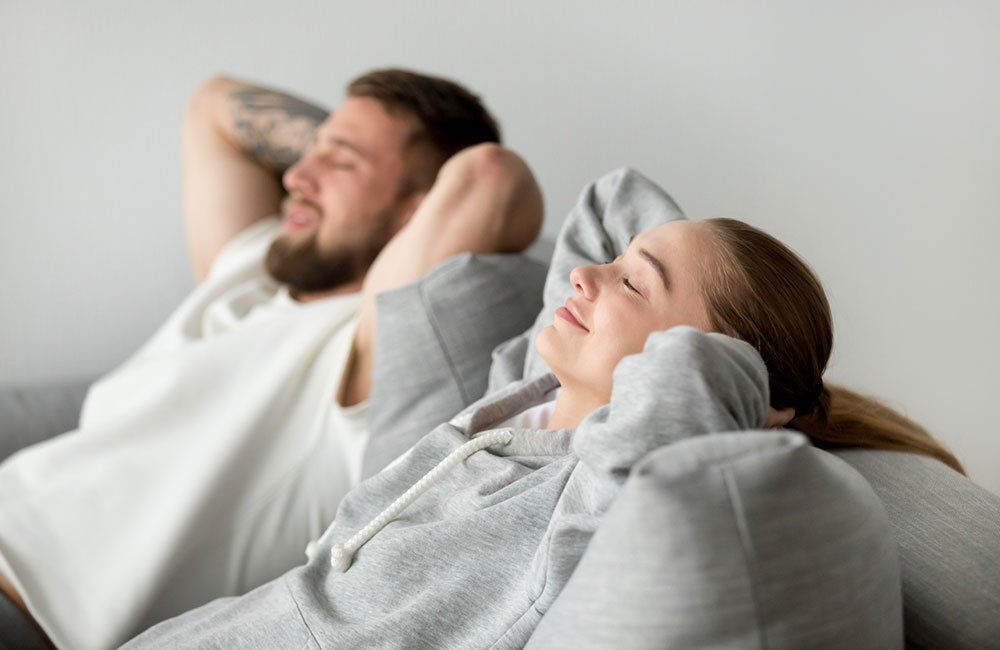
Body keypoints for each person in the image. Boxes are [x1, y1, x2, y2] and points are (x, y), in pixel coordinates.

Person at [124, 168, 963, 648]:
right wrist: (661, 269)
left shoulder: (594, 503)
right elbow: (612, 198)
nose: (587, 276)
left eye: (632, 282)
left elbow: (664, 436)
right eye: (616, 265)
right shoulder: (526, 393)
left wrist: (743, 376)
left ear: (709, 372)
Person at [0, 69, 544, 649]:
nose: (294, 175)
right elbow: (211, 106)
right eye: (308, 152)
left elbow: (491, 175)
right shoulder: (252, 267)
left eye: (339, 161)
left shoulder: (365, 344)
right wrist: (340, 164)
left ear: (419, 208)